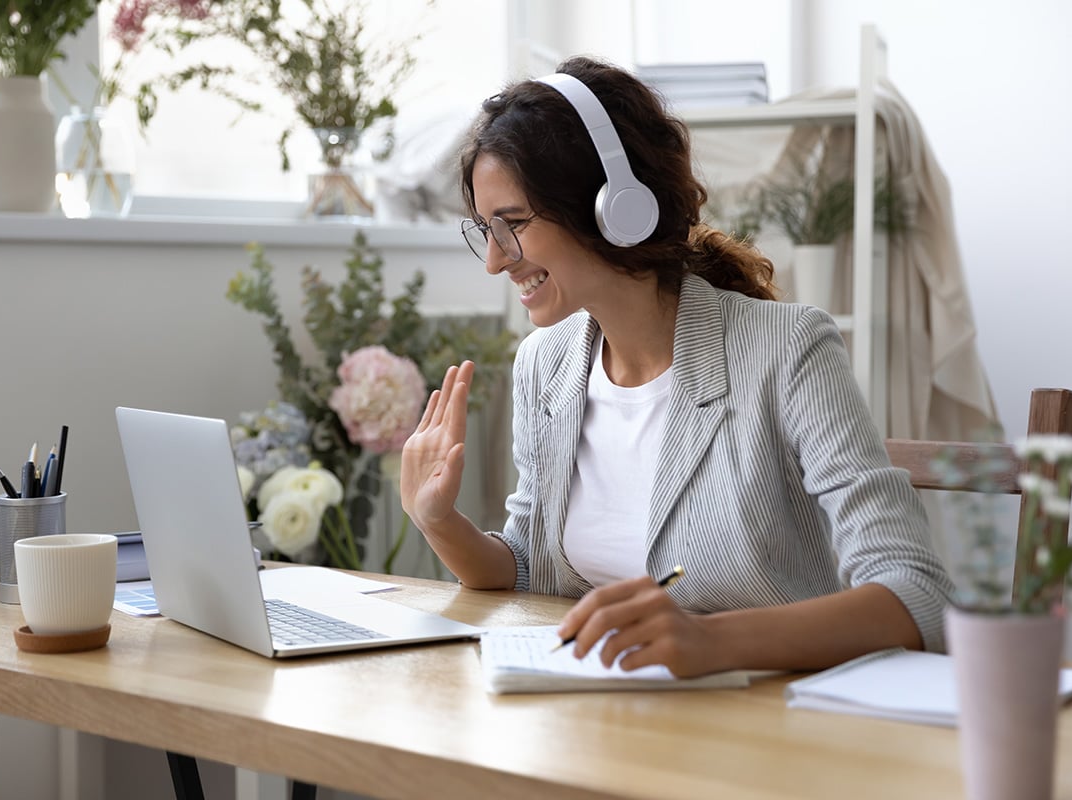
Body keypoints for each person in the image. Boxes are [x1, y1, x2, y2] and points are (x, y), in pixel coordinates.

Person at [400, 55, 953, 679]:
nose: (496, 262)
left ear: (613, 205)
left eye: (514, 225)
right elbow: (528, 566)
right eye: (484, 231)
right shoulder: (545, 365)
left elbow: (917, 597)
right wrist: (440, 522)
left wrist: (711, 642)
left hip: (765, 732)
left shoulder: (789, 350)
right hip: (591, 725)